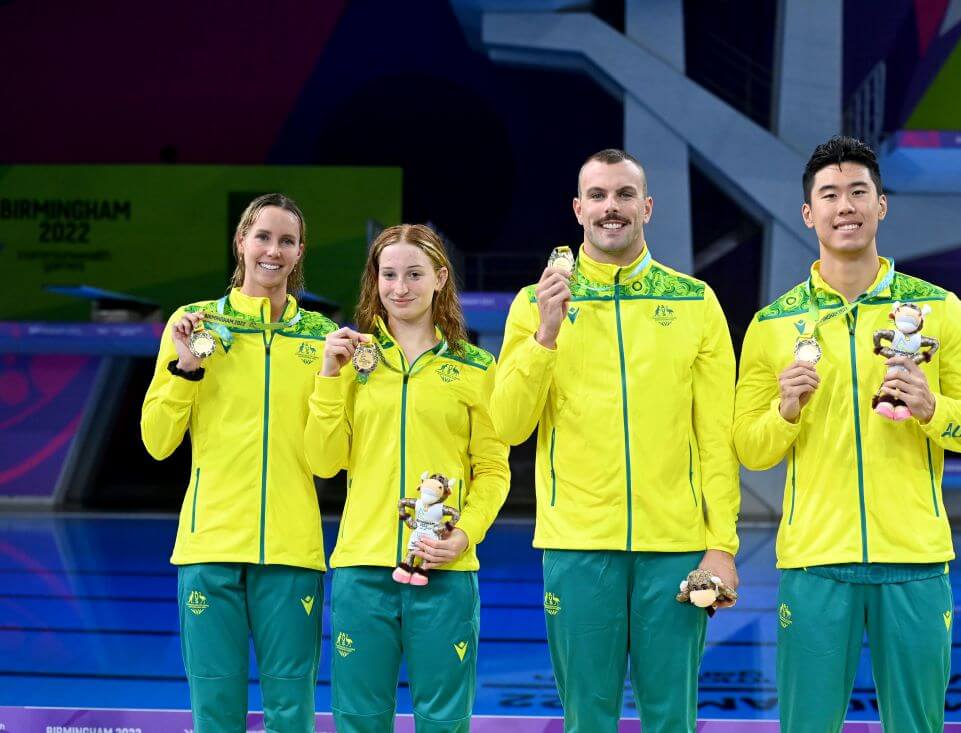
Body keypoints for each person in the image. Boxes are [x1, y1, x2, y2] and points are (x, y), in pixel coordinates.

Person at [733, 136, 961, 733]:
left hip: (915, 561)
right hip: (814, 565)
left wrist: (934, 409)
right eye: (829, 195)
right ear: (808, 214)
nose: (845, 205)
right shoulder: (772, 324)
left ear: (882, 204)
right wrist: (784, 410)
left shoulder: (939, 310)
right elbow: (749, 449)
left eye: (859, 191)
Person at [490, 149, 740, 732]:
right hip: (578, 547)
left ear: (646, 207)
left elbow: (716, 440)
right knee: (587, 720)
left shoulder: (694, 302)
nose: (611, 208)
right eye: (598, 196)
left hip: (675, 549)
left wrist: (721, 545)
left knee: (671, 719)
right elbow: (507, 425)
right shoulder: (534, 305)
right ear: (578, 210)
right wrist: (546, 335)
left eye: (624, 194)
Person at [305, 224, 509, 733]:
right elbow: (324, 461)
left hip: (446, 571)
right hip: (362, 568)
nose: (401, 287)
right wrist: (328, 376)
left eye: (414, 274)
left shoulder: (477, 368)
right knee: (359, 721)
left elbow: (492, 470)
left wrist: (464, 536)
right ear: (374, 282)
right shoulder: (352, 363)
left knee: (444, 722)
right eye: (389, 274)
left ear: (440, 277)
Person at [141, 193, 334, 732]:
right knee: (216, 716)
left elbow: (331, 457)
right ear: (242, 242)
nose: (273, 250)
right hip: (211, 545)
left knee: (291, 716)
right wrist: (186, 367)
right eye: (263, 236)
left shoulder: (320, 337)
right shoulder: (192, 324)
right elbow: (157, 441)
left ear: (299, 253)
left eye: (287, 240)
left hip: (292, 551)